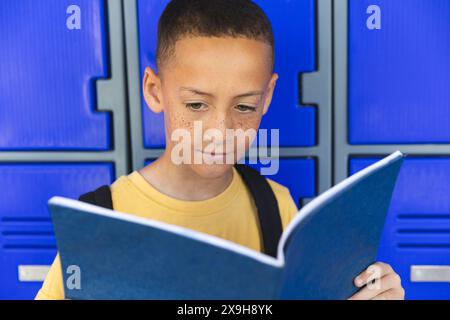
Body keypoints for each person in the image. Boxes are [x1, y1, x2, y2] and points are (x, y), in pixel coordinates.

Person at [36, 0, 404, 300]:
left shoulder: (277, 206)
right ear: (154, 90)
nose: (220, 131)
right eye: (196, 105)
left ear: (267, 97)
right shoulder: (96, 219)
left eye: (244, 107)